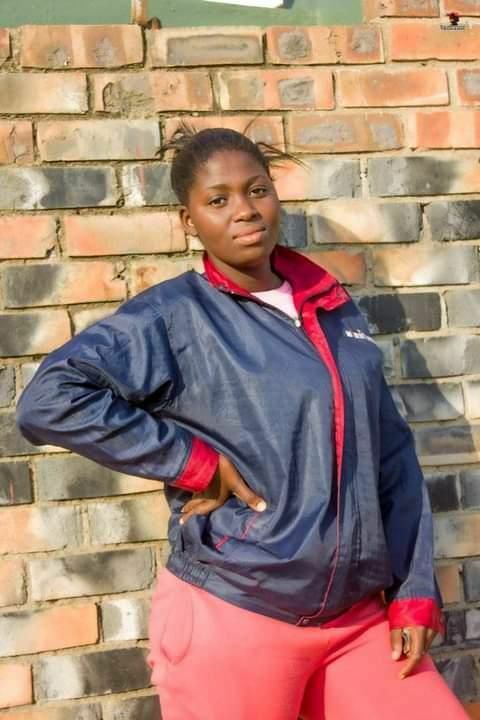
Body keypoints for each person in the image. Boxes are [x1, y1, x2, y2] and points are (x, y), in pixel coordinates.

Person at [15, 127, 469, 720]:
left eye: (257, 190)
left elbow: (391, 457)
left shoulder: (333, 309)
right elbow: (50, 399)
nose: (245, 210)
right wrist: (194, 463)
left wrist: (412, 589)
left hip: (355, 619)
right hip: (236, 611)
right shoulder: (175, 315)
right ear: (189, 221)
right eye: (218, 199)